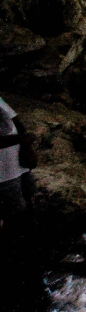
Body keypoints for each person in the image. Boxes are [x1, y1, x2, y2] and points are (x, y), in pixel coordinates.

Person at [1, 96, 35, 229]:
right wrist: (21, 139)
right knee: (13, 212)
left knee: (29, 197)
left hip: (18, 164)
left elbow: (14, 119)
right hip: (3, 175)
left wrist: (27, 147)